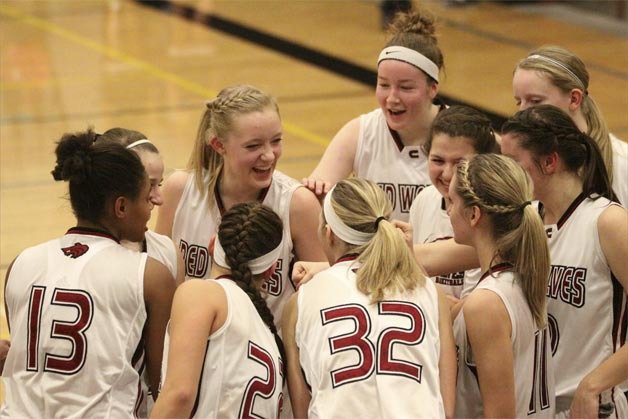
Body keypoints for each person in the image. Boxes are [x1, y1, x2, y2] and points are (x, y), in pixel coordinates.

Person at [0, 129, 175, 418]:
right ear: (121, 206)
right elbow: (163, 385)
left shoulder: (22, 262)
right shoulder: (151, 275)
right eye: (146, 197)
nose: (153, 205)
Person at [155, 84, 325, 330]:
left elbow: (319, 297)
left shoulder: (298, 204)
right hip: (190, 347)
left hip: (267, 357)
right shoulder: (179, 190)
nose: (269, 155)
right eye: (253, 146)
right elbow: (160, 281)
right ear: (218, 145)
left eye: (276, 141)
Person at [282, 178, 456, 418]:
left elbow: (301, 410)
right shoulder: (430, 291)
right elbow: (446, 407)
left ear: (329, 233)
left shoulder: (300, 302)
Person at [500, 105, 627, 418]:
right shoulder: (526, 219)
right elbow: (450, 251)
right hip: (534, 408)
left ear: (549, 161)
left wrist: (596, 383)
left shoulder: (607, 222)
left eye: (513, 162)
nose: (506, 173)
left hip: (590, 408)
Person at [302, 9, 446, 221]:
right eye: (384, 85)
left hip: (442, 253)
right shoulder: (360, 131)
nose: (392, 98)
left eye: (405, 88)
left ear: (432, 88)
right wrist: (315, 193)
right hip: (377, 254)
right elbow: (312, 196)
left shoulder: (465, 133)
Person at [151, 202, 284, 418]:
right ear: (271, 270)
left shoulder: (203, 293)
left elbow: (180, 395)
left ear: (212, 245)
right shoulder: (271, 338)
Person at [448, 153, 555, 418]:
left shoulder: (487, 303)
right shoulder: (521, 276)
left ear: (474, 214)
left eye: (451, 202)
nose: (448, 211)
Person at [512, 45, 628, 205]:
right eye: (519, 101)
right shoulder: (521, 163)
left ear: (574, 99)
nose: (522, 112)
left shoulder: (622, 164)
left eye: (535, 101)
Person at [408, 105, 498, 300]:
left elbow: (472, 306)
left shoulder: (491, 214)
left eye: (459, 163)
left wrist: (432, 302)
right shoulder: (424, 199)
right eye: (438, 161)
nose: (447, 174)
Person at [98, 127, 184, 286]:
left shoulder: (168, 252)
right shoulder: (77, 257)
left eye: (160, 183)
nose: (159, 199)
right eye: (150, 185)